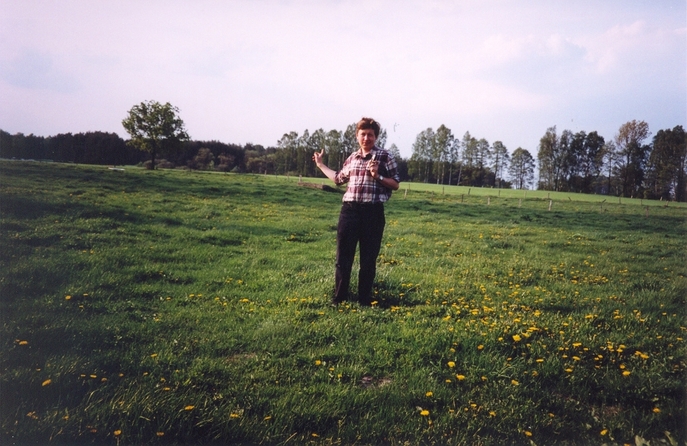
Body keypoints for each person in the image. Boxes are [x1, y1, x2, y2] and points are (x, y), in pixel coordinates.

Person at [313, 117, 400, 306]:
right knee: (343, 257)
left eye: (370, 134)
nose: (366, 138)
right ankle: (339, 298)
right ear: (357, 136)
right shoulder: (352, 158)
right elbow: (337, 179)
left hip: (373, 213)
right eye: (363, 134)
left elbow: (395, 185)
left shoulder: (385, 157)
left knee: (368, 259)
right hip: (350, 212)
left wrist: (378, 176)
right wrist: (320, 165)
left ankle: (364, 300)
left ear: (376, 137)